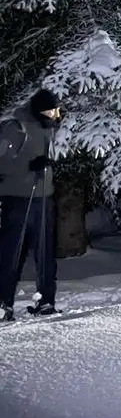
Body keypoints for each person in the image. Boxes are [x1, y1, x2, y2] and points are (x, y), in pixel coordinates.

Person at [0, 89, 61, 321]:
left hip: (43, 197)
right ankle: (4, 303)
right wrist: (29, 167)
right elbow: (2, 162)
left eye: (56, 109)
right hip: (17, 198)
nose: (55, 114)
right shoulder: (16, 128)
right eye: (50, 110)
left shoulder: (47, 127)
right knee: (12, 252)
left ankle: (46, 301)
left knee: (45, 252)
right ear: (38, 110)